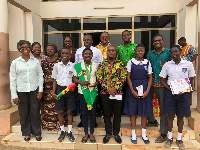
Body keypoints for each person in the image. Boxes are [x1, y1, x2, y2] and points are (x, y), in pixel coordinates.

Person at [159, 45, 196, 150]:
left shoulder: (188, 64)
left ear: (180, 52)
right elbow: (162, 79)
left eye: (175, 51)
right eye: (171, 52)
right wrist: (170, 89)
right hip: (171, 94)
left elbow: (191, 79)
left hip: (184, 94)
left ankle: (179, 139)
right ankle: (169, 138)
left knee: (180, 117)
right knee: (170, 116)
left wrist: (190, 95)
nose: (173, 54)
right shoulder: (167, 65)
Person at [10, 40, 43, 141]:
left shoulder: (35, 61)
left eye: (27, 47)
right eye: (23, 47)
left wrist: (40, 91)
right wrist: (14, 95)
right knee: (24, 112)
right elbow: (12, 79)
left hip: (34, 90)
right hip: (21, 90)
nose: (26, 49)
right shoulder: (15, 63)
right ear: (19, 49)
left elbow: (40, 76)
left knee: (35, 111)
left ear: (30, 49)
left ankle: (37, 132)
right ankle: (26, 133)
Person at [97, 45, 127, 144]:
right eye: (109, 50)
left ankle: (116, 133)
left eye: (113, 50)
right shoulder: (102, 64)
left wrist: (115, 88)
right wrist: (108, 88)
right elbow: (99, 77)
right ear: (106, 52)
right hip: (105, 93)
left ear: (115, 52)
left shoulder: (121, 64)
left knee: (117, 114)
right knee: (107, 114)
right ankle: (108, 133)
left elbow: (123, 77)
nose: (111, 52)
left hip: (118, 93)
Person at [124, 44, 153, 145]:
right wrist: (132, 90)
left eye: (142, 51)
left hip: (144, 87)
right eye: (139, 51)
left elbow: (150, 78)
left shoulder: (147, 62)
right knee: (133, 111)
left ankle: (144, 134)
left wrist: (147, 91)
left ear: (144, 52)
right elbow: (128, 77)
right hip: (133, 87)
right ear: (135, 52)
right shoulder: (131, 62)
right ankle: (133, 133)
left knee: (144, 111)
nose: (140, 52)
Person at [147, 34, 171, 143]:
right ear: (153, 43)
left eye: (159, 40)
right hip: (150, 84)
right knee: (146, 105)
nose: (157, 42)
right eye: (155, 41)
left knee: (163, 110)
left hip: (163, 85)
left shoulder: (168, 53)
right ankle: (152, 121)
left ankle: (163, 133)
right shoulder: (150, 55)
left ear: (163, 41)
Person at [73, 47, 98, 143]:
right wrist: (82, 82)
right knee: (84, 113)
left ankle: (91, 133)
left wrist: (96, 83)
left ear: (92, 55)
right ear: (83, 55)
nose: (88, 55)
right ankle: (85, 133)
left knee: (92, 113)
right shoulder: (78, 66)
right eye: (86, 54)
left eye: (90, 54)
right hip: (82, 92)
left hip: (93, 92)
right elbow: (74, 78)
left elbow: (99, 78)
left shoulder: (96, 65)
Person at [51, 48, 75, 142]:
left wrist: (74, 87)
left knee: (69, 111)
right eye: (63, 53)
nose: (65, 55)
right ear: (60, 55)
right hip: (60, 90)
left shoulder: (73, 66)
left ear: (70, 55)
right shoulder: (56, 66)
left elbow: (75, 78)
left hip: (70, 90)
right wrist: (53, 91)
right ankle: (62, 131)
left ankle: (69, 131)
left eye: (67, 53)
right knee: (60, 111)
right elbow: (55, 80)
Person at [41, 43, 60, 131]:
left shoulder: (59, 61)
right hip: (45, 88)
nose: (49, 51)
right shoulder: (43, 61)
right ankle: (47, 125)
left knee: (57, 106)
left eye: (51, 49)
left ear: (55, 50)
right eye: (48, 49)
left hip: (56, 87)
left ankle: (58, 125)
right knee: (47, 106)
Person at [31, 42, 47, 118]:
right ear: (32, 49)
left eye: (38, 47)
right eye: (35, 47)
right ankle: (35, 116)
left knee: (42, 99)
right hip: (33, 82)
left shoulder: (45, 58)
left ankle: (43, 115)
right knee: (35, 100)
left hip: (44, 81)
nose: (37, 49)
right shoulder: (29, 58)